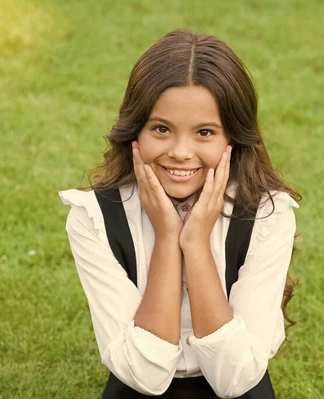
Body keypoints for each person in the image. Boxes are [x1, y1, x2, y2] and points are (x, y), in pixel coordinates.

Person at [59, 28, 300, 399]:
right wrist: (168, 239)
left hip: (235, 380)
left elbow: (235, 379)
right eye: (161, 129)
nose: (181, 152)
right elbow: (143, 375)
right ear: (134, 130)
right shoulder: (93, 217)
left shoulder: (269, 214)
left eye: (205, 132)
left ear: (232, 139)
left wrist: (197, 243)